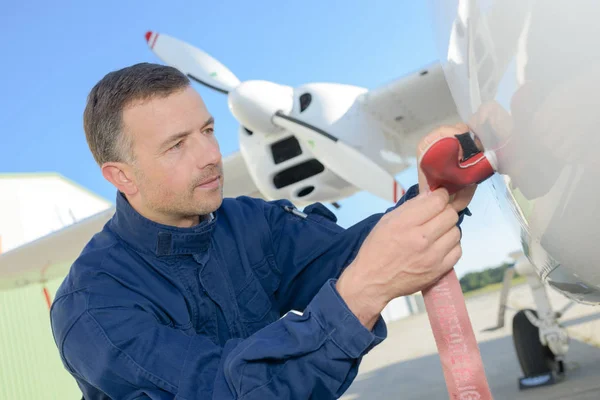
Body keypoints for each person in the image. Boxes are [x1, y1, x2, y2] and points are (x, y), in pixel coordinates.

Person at [50, 62, 477, 400]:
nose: (211, 156)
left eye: (208, 130)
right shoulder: (92, 305)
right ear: (122, 177)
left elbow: (349, 255)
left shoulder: (249, 222)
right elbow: (221, 392)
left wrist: (436, 188)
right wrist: (363, 293)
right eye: (177, 145)